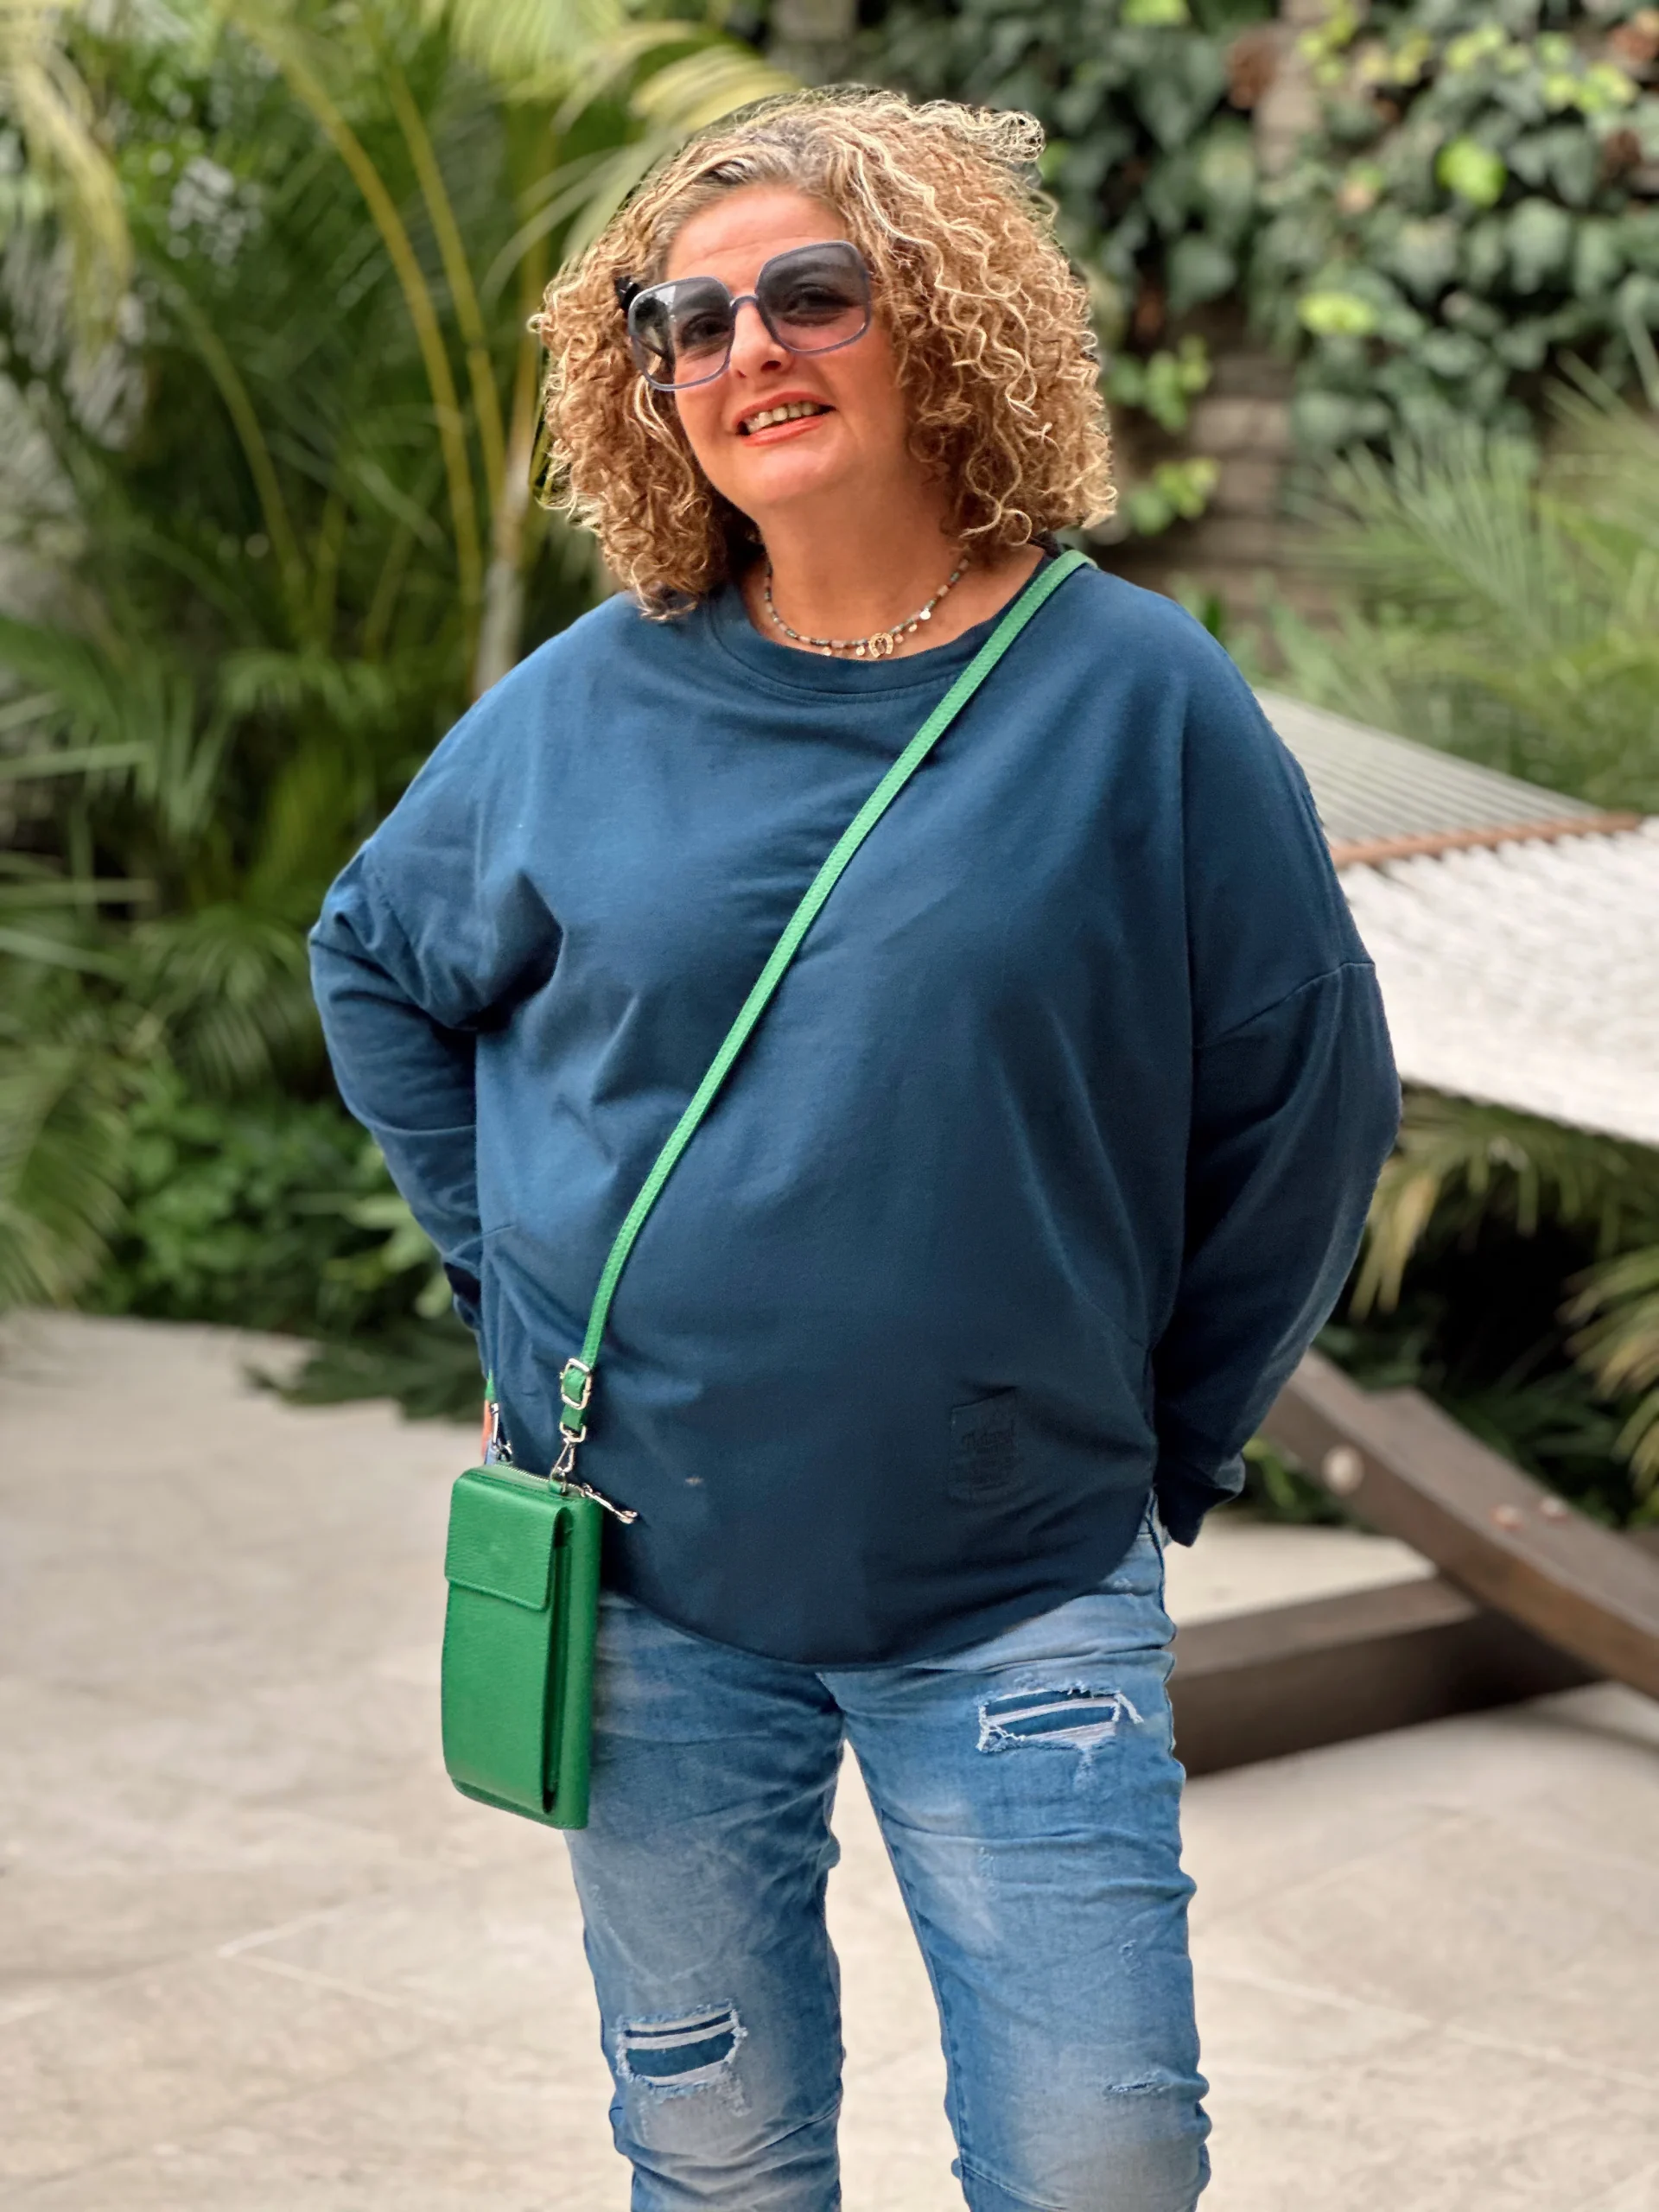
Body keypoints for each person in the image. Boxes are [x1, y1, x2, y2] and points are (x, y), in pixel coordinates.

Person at [309, 86, 1399, 2212]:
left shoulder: (1134, 696)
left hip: (1015, 1575)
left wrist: (1159, 1428)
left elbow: (1306, 1098)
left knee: (1101, 2159)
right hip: (649, 1575)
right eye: (685, 322)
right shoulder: (588, 701)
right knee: (713, 2150)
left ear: (947, 324)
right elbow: (376, 958)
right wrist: (514, 1289)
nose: (747, 351)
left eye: (812, 293)